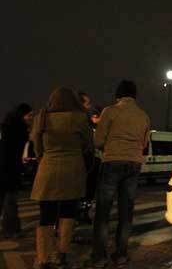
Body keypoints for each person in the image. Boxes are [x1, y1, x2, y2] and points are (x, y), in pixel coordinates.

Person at [88, 80, 150, 268]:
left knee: (103, 211)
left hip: (112, 162)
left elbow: (98, 141)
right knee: (126, 212)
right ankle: (121, 255)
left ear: (118, 95)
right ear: (135, 95)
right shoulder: (144, 116)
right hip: (133, 165)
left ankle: (99, 257)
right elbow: (145, 144)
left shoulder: (110, 111)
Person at [30, 88, 93, 269]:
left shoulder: (41, 118)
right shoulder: (79, 118)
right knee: (68, 213)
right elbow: (89, 146)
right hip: (72, 170)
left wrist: (46, 159)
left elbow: (37, 149)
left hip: (47, 169)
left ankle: (43, 258)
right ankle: (62, 254)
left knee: (46, 216)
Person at [0, 103, 33, 238]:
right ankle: (11, 230)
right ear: (22, 115)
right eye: (29, 115)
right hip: (9, 168)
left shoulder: (6, 127)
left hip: (4, 166)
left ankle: (12, 228)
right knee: (10, 201)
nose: (31, 118)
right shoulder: (19, 130)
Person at [77, 92, 102, 225]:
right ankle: (81, 214)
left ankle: (83, 213)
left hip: (90, 161)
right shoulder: (85, 124)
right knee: (85, 191)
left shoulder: (87, 123)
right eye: (87, 103)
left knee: (88, 192)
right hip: (87, 161)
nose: (89, 106)